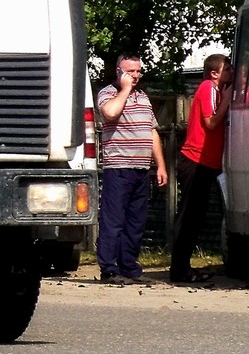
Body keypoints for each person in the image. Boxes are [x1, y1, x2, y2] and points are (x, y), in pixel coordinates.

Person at [96, 54, 169, 283]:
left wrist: (161, 166)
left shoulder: (144, 98)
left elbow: (152, 131)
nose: (135, 76)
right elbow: (110, 113)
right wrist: (125, 90)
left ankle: (129, 266)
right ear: (119, 72)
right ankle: (109, 268)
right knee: (113, 220)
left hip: (141, 167)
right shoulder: (108, 93)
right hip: (118, 166)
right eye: (130, 71)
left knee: (136, 221)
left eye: (138, 71)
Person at [169, 53, 233, 283]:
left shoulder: (216, 91)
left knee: (196, 217)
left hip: (208, 162)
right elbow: (211, 122)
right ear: (215, 73)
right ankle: (178, 270)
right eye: (227, 69)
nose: (230, 73)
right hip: (196, 160)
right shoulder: (208, 87)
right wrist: (226, 99)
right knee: (188, 217)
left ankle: (183, 267)